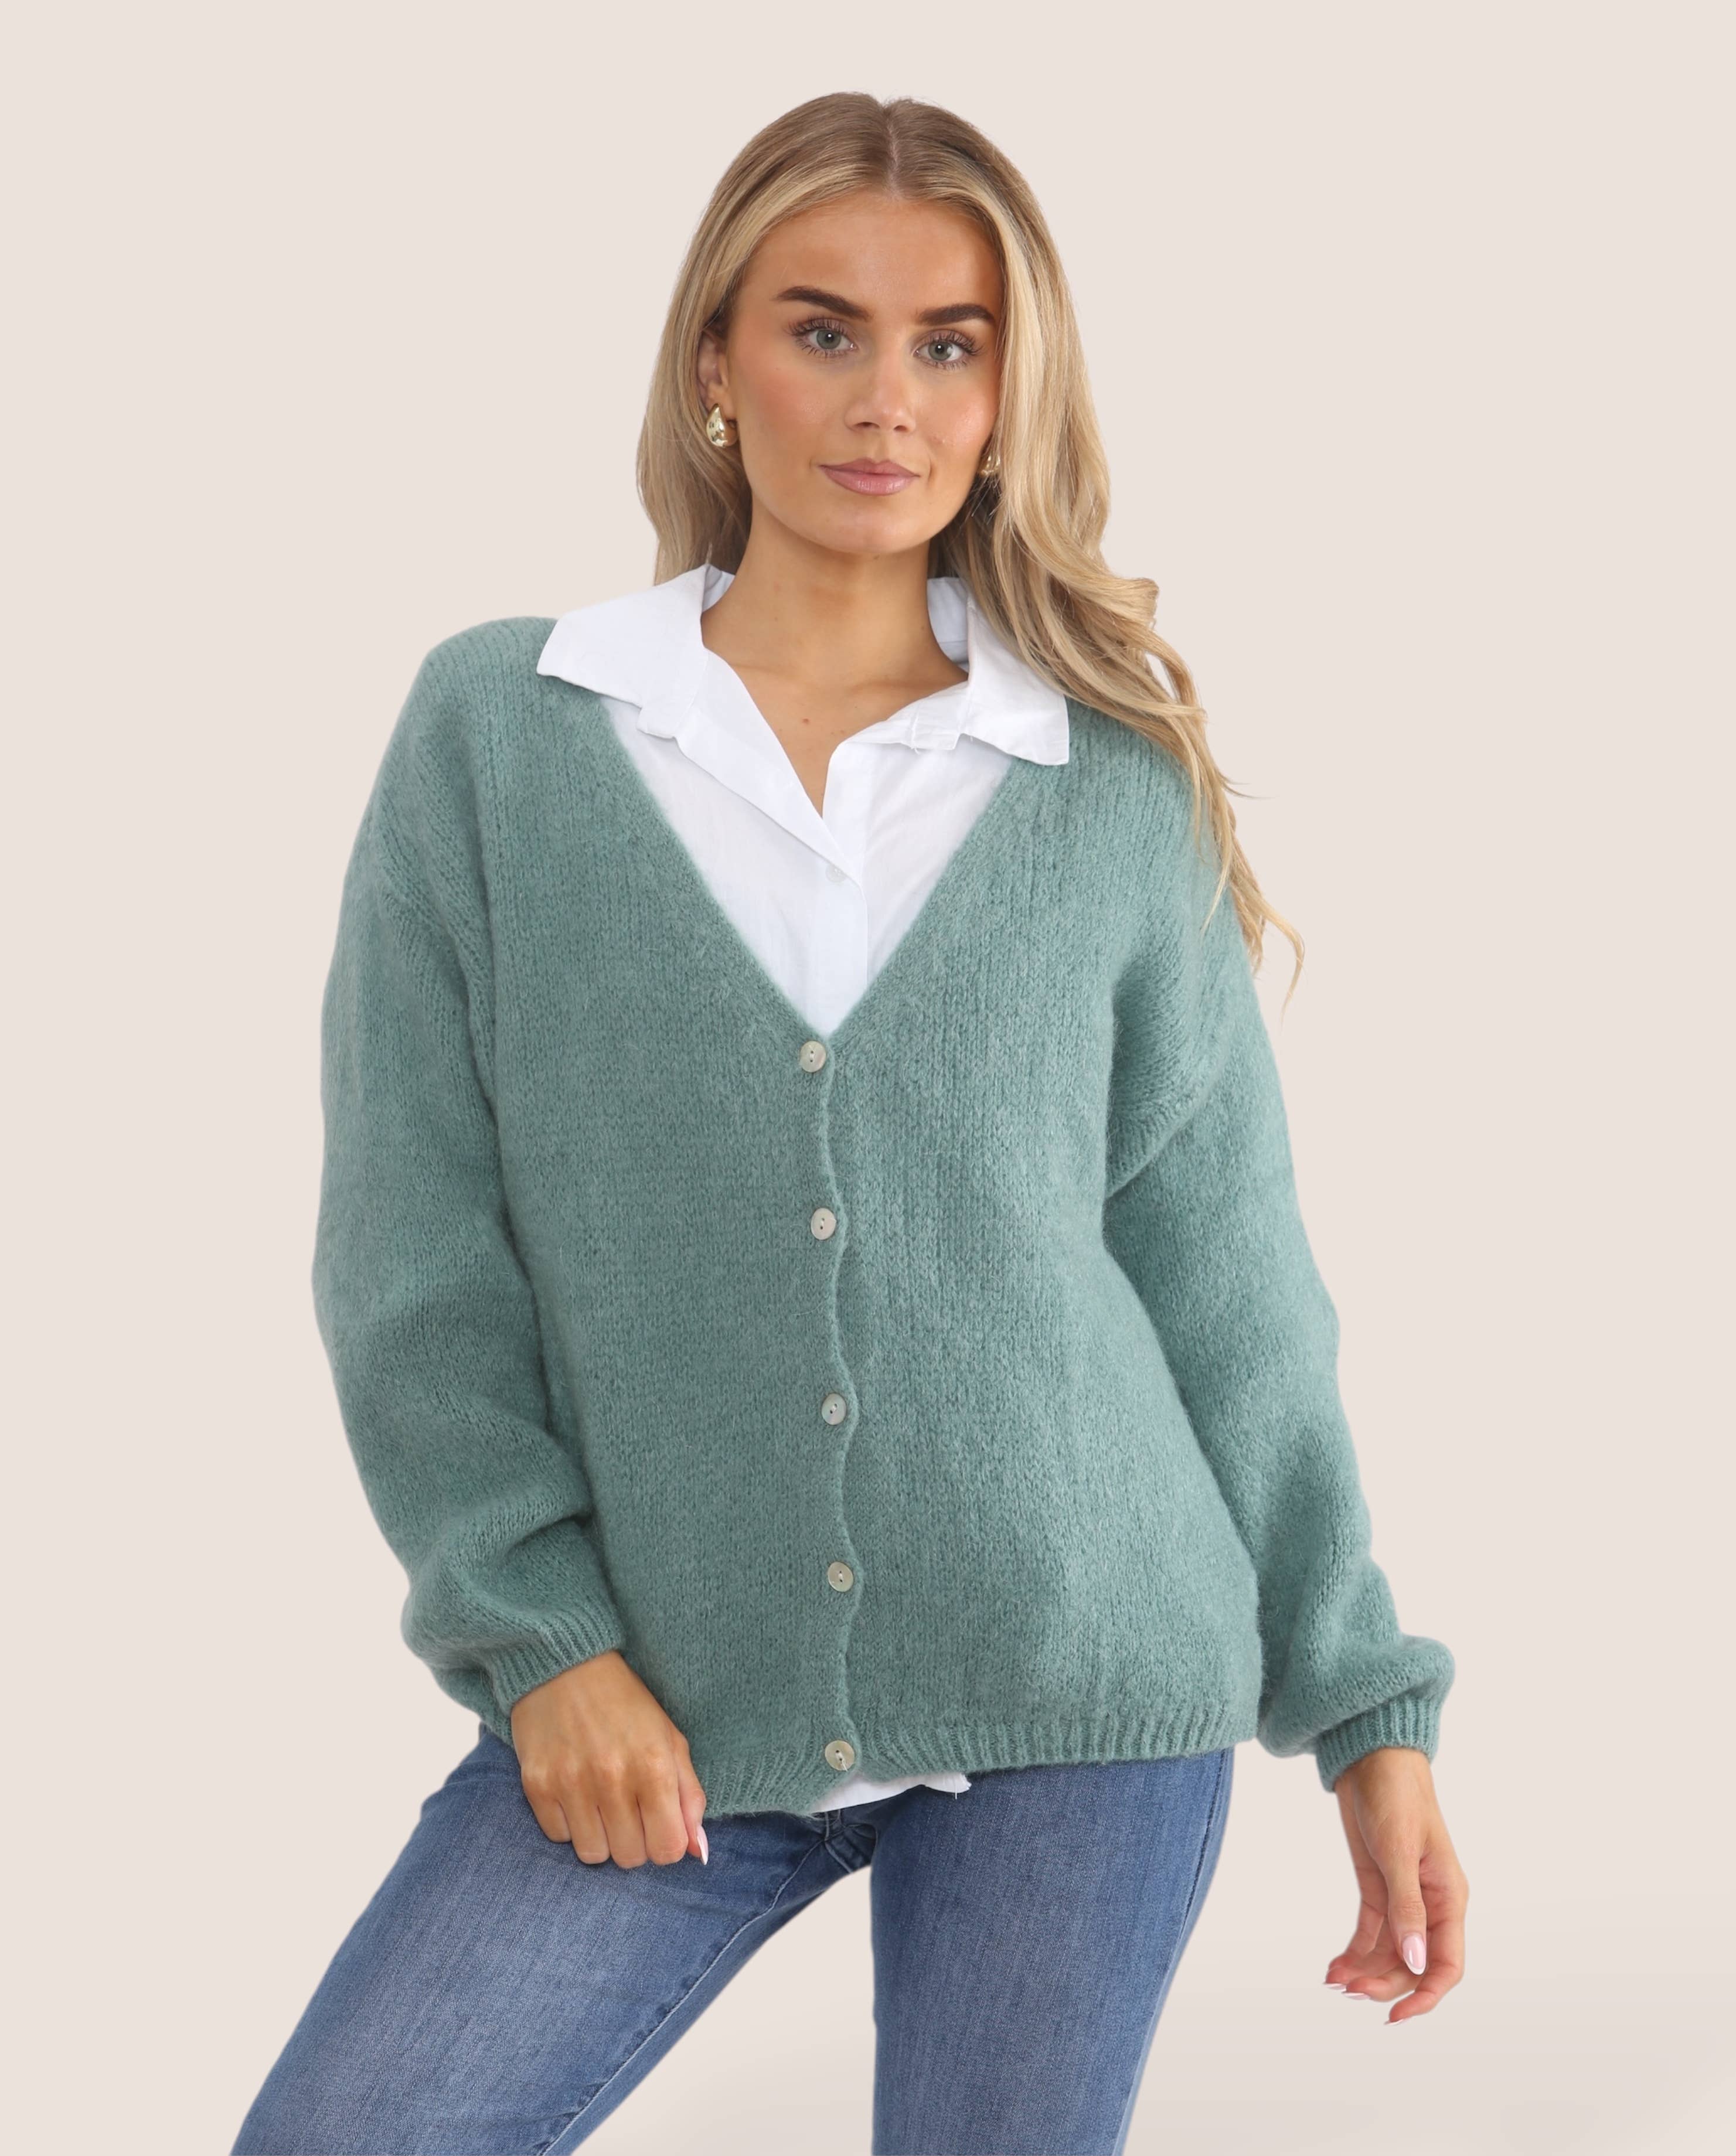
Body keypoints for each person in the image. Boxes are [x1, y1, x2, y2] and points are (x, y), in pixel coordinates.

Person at [232, 90, 1468, 2156]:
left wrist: (1364, 1708)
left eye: (948, 343)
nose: (886, 398)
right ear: (715, 364)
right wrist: (539, 1643)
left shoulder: (1103, 783)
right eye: (823, 330)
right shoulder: (507, 733)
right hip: (656, 1695)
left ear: (1004, 396)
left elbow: (1227, 1282)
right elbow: (414, 1250)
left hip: (1082, 1683)